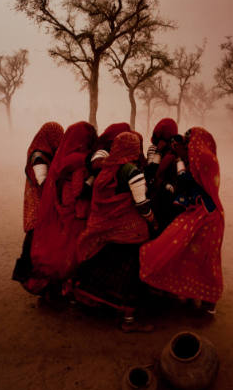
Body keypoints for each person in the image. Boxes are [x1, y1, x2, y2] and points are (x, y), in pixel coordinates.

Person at [75, 131, 157, 331]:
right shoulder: (133, 172)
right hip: (130, 234)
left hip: (105, 230)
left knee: (105, 269)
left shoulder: (104, 170)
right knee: (131, 276)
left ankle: (98, 305)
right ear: (134, 149)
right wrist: (153, 221)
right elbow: (142, 205)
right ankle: (129, 320)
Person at [139, 127, 225, 315]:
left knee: (186, 251)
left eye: (187, 141)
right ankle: (202, 300)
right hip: (206, 211)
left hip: (204, 213)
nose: (185, 145)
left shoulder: (199, 156)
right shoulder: (206, 155)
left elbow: (185, 181)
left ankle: (204, 299)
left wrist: (179, 160)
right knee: (200, 257)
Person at [23, 121, 97, 297]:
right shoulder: (40, 157)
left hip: (51, 204)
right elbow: (44, 184)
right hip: (43, 204)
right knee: (44, 244)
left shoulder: (58, 157)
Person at [12, 121, 64, 285]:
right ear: (50, 137)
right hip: (39, 202)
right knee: (34, 237)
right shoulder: (39, 157)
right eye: (57, 137)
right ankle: (27, 275)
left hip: (42, 201)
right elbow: (43, 183)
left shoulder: (44, 153)